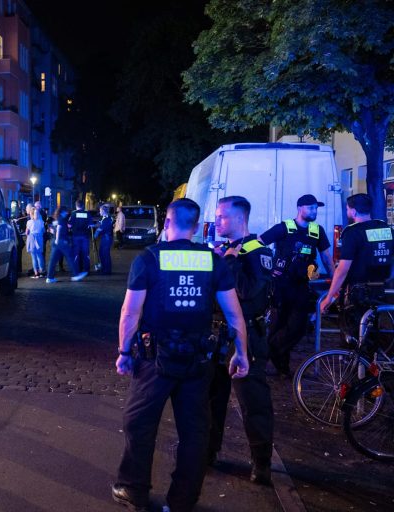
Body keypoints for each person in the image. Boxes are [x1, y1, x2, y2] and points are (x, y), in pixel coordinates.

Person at [112, 198, 248, 512]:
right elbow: (234, 314)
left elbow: (130, 312)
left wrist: (124, 351)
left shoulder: (149, 258)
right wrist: (241, 353)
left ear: (167, 222)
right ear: (197, 226)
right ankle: (183, 500)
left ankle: (133, 489)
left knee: (139, 424)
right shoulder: (213, 261)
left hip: (154, 361)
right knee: (195, 432)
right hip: (198, 361)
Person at [207, 196, 275, 485]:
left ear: (240, 218)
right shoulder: (224, 250)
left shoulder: (258, 251)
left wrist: (230, 263)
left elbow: (247, 292)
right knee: (212, 399)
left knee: (253, 402)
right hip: (217, 335)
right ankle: (209, 451)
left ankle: (261, 463)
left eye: (222, 216)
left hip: (246, 336)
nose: (217, 221)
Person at [259, 194, 335, 376]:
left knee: (298, 327)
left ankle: (267, 351)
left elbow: (326, 257)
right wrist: (266, 268)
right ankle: (282, 368)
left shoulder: (317, 231)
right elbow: (260, 242)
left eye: (316, 208)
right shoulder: (285, 227)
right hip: (280, 285)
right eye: (311, 208)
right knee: (279, 325)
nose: (314, 211)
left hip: (301, 285)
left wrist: (335, 280)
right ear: (300, 208)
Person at [320, 194, 394, 346]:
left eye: (348, 209)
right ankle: (369, 361)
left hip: (357, 292)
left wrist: (330, 296)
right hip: (380, 290)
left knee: (354, 337)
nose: (347, 212)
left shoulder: (352, 232)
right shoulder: (386, 229)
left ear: (353, 211)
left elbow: (343, 268)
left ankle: (355, 362)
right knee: (371, 333)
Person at [46, 205, 87, 283]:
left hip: (55, 242)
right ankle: (76, 275)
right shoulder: (62, 218)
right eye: (66, 211)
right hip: (61, 241)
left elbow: (52, 229)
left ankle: (49, 277)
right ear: (62, 212)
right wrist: (58, 239)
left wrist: (56, 238)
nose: (67, 213)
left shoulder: (56, 218)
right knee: (70, 257)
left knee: (53, 260)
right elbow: (59, 228)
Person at [70, 200, 91, 273]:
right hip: (85, 236)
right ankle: (86, 270)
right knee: (86, 253)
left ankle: (77, 270)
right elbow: (91, 224)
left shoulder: (73, 213)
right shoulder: (87, 213)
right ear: (83, 206)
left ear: (76, 206)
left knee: (76, 253)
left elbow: (69, 225)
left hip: (75, 236)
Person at [25, 207, 46, 279]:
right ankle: (42, 272)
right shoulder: (41, 221)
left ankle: (36, 273)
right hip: (39, 238)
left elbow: (26, 232)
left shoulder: (29, 222)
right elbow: (43, 231)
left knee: (34, 257)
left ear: (31, 214)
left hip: (32, 239)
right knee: (39, 255)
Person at [94, 204, 114, 275]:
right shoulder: (103, 218)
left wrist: (96, 234)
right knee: (101, 253)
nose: (99, 212)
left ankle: (107, 270)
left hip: (107, 238)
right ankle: (104, 268)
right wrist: (93, 225)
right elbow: (99, 224)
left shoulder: (107, 219)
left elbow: (100, 228)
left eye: (100, 210)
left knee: (105, 254)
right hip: (104, 238)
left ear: (103, 211)